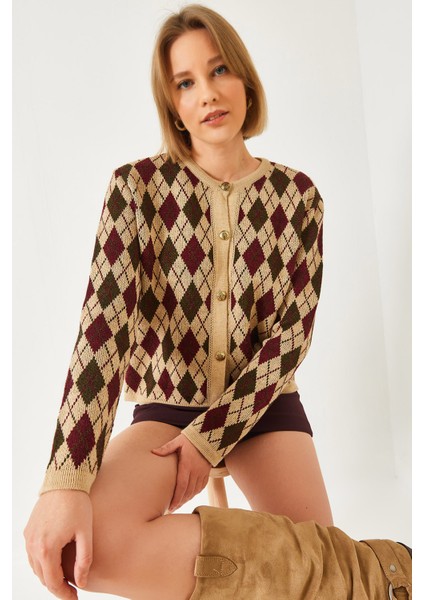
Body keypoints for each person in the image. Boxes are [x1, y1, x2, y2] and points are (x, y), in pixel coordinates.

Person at [23, 5, 412, 600]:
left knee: (330, 581)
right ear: (173, 106)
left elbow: (291, 336)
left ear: (246, 80)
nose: (207, 93)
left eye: (219, 70)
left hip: (262, 406)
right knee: (84, 552)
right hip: (166, 408)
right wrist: (65, 481)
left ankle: (382, 568)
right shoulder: (136, 189)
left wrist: (212, 436)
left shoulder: (298, 197)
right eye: (185, 82)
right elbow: (101, 334)